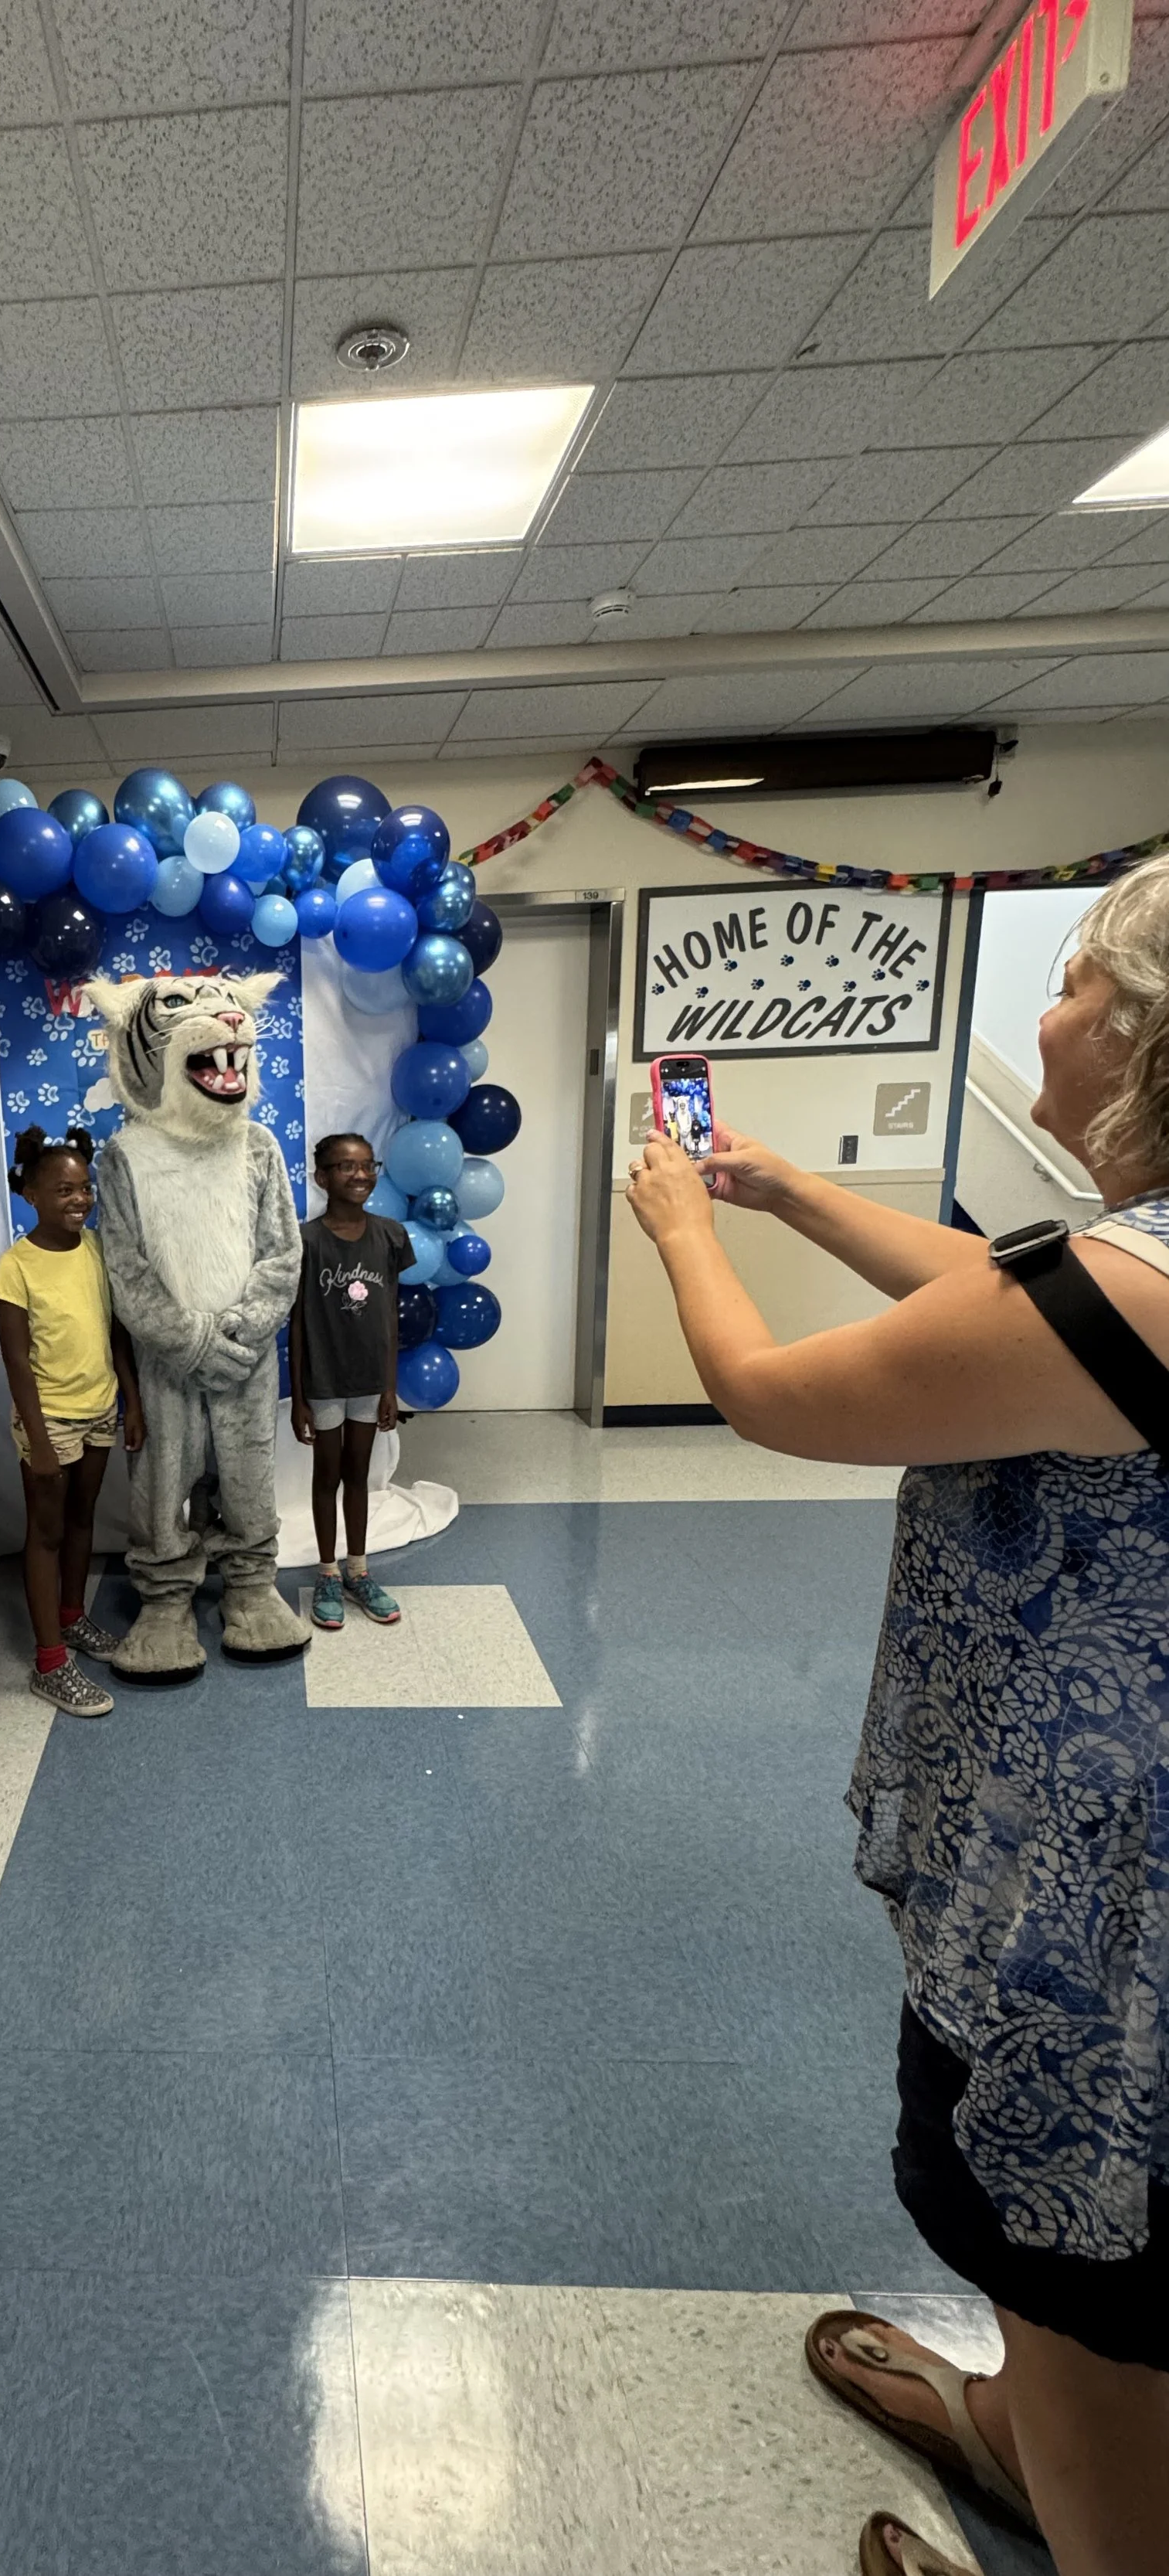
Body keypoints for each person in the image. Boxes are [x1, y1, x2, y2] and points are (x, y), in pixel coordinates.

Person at [626, 861, 1169, 2576]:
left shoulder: (1137, 1293)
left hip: (1101, 1901)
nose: (1048, 1012)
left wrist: (687, 1235)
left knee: (1079, 2274)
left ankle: (1072, 2483)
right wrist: (789, 1191)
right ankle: (1009, 2441)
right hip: (1087, 1835)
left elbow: (769, 1394)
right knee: (1069, 2261)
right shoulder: (1123, 1267)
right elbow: (1011, 1291)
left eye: (1080, 984)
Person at [0, 1126, 144, 1717]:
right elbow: (14, 1359)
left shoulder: (99, 1249)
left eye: (85, 1188)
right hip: (49, 1417)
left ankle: (73, 1617)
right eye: (63, 1190)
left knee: (83, 1520)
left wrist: (130, 1401)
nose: (79, 1199)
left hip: (100, 1406)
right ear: (30, 1193)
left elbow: (115, 1331)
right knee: (47, 1532)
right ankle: (50, 1662)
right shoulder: (16, 1265)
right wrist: (39, 1439)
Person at [289, 1131, 408, 1630]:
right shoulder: (306, 1240)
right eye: (345, 1166)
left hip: (368, 1381)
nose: (359, 1175)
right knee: (327, 1476)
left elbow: (389, 1317)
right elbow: (295, 1322)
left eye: (366, 1165)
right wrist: (298, 1398)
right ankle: (327, 1574)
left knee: (359, 1475)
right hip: (323, 1381)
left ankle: (359, 1571)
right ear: (322, 1177)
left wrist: (388, 1385)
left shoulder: (390, 1236)